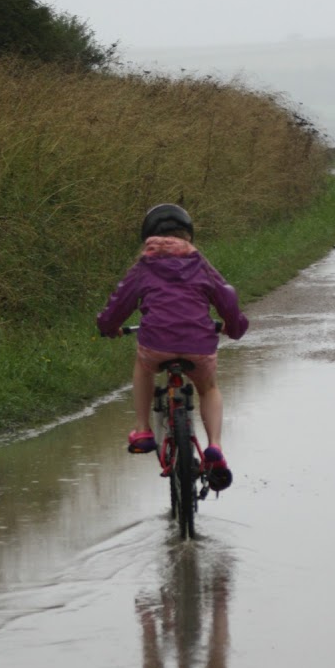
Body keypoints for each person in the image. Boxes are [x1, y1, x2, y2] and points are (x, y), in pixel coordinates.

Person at [97, 203, 249, 489]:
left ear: (148, 235)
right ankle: (214, 446)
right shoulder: (200, 263)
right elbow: (226, 297)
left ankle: (142, 430)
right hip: (199, 345)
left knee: (143, 368)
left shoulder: (144, 265)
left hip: (156, 344)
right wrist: (235, 326)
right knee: (209, 388)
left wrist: (108, 326)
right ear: (188, 234)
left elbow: (121, 301)